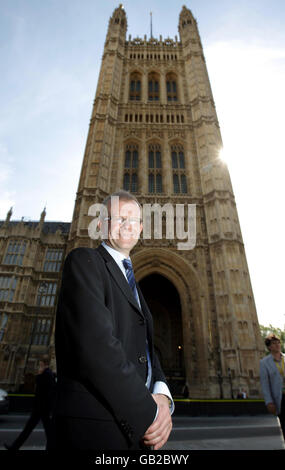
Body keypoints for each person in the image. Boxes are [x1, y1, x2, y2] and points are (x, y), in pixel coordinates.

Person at [52, 190, 173, 450]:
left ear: (141, 228)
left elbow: (147, 349)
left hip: (134, 435)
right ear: (101, 224)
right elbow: (95, 347)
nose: (127, 225)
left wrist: (162, 395)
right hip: (94, 431)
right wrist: (150, 412)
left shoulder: (134, 285)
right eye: (118, 218)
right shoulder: (85, 261)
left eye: (133, 220)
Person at [5, 356, 56, 451]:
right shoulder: (46, 374)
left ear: (45, 365)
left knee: (34, 429)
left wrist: (40, 375)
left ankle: (14, 447)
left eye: (40, 365)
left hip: (42, 407)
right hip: (41, 407)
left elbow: (44, 388)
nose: (39, 367)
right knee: (32, 429)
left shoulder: (48, 374)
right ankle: (14, 447)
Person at [260, 333, 285, 439]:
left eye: (278, 343)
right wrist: (269, 401)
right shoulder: (264, 363)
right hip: (281, 398)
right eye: (274, 343)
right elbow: (265, 384)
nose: (277, 345)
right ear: (269, 347)